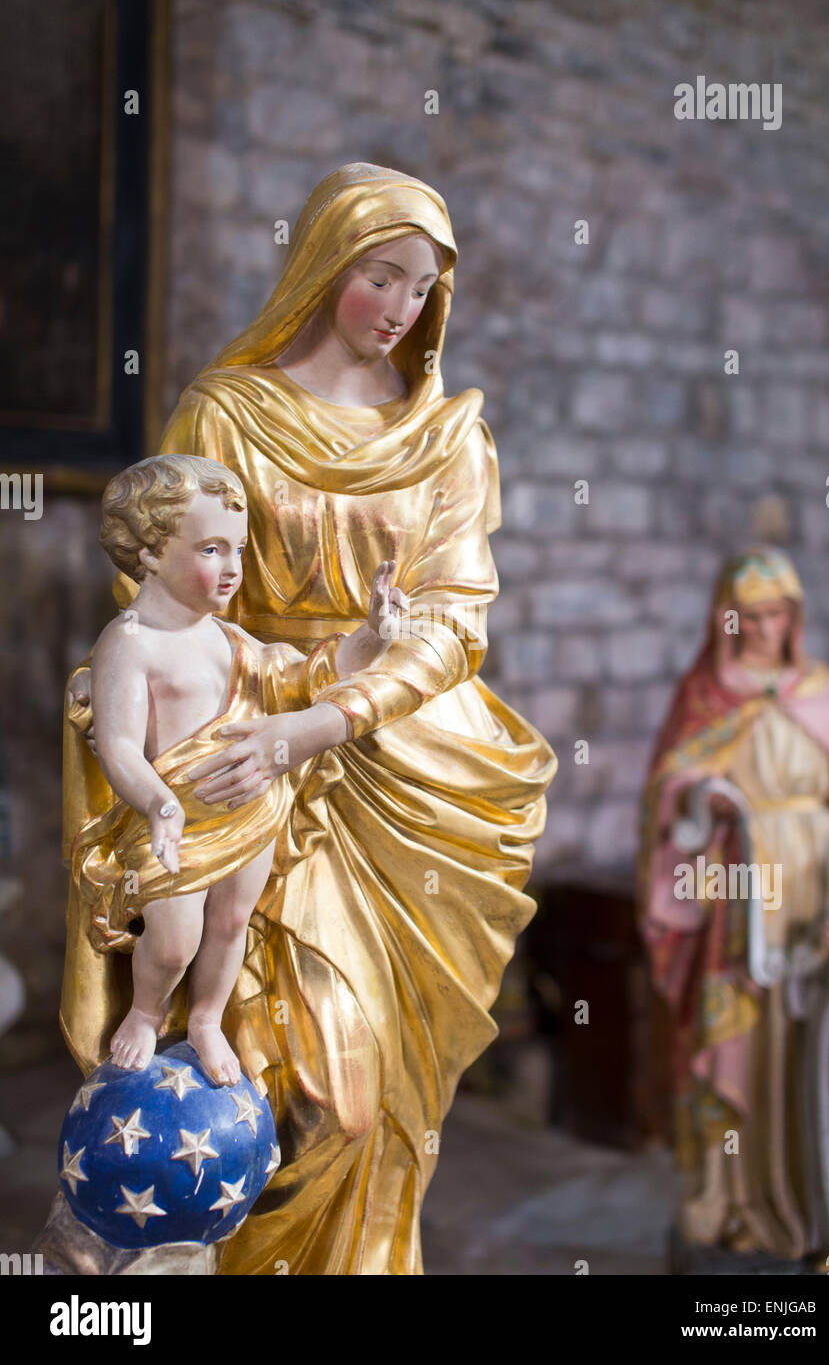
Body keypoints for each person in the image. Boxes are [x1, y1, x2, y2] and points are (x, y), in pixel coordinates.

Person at [61, 162, 558, 1274]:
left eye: (420, 289)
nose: (396, 309)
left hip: (399, 771)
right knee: (266, 1076)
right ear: (325, 262)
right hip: (239, 754)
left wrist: (325, 718)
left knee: (369, 1096)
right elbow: (158, 599)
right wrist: (259, 706)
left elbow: (450, 623)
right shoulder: (226, 411)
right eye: (377, 275)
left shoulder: (447, 439)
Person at [85, 451, 403, 1086]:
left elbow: (305, 675)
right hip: (174, 819)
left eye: (237, 549)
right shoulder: (129, 643)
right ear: (148, 552)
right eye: (210, 549)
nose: (232, 568)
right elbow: (118, 746)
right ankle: (145, 1013)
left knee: (231, 924)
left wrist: (371, 639)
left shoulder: (231, 641)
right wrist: (159, 806)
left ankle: (205, 1017)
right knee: (174, 939)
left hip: (250, 808)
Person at [638, 546, 829, 1261]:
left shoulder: (816, 689)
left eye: (778, 615)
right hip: (738, 891)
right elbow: (665, 798)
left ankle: (803, 1199)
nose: (766, 628)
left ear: (794, 617)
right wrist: (703, 800)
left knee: (808, 1044)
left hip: (813, 892)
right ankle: (728, 1199)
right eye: (753, 615)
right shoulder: (707, 693)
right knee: (735, 1038)